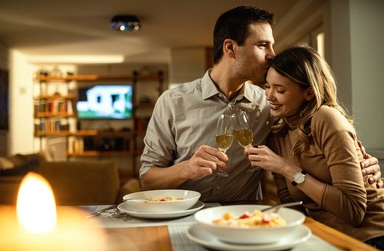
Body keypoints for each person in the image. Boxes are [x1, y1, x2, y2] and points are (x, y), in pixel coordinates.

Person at [139, 6, 382, 203]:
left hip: (244, 220)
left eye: (271, 45)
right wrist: (186, 169)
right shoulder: (172, 102)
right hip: (181, 216)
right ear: (230, 48)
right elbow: (147, 179)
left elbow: (320, 134)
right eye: (262, 45)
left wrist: (365, 164)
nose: (272, 54)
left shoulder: (271, 105)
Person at [247, 45, 384, 249]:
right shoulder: (278, 135)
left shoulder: (326, 118)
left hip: (370, 238)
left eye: (280, 90)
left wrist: (287, 169)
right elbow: (290, 205)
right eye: (267, 86)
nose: (269, 96)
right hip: (324, 236)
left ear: (309, 93)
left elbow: (354, 212)